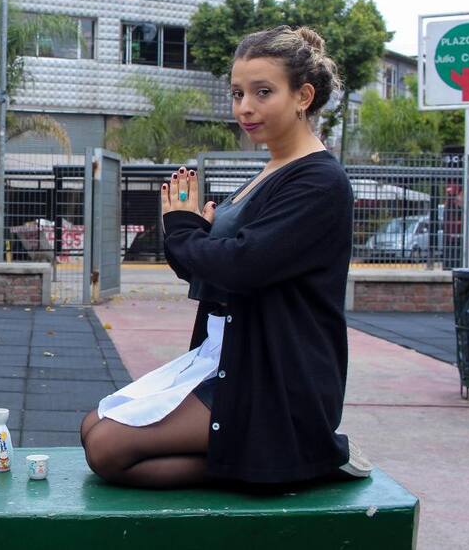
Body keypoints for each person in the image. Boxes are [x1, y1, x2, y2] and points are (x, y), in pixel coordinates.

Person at [80, 25, 371, 489]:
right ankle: (269, 456)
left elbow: (239, 266)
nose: (245, 108)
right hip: (227, 355)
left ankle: (297, 455)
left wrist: (183, 227)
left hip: (273, 373)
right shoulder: (270, 170)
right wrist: (197, 234)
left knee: (108, 449)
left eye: (263, 92)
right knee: (92, 427)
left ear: (303, 96)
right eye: (237, 93)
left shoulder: (319, 182)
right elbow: (207, 267)